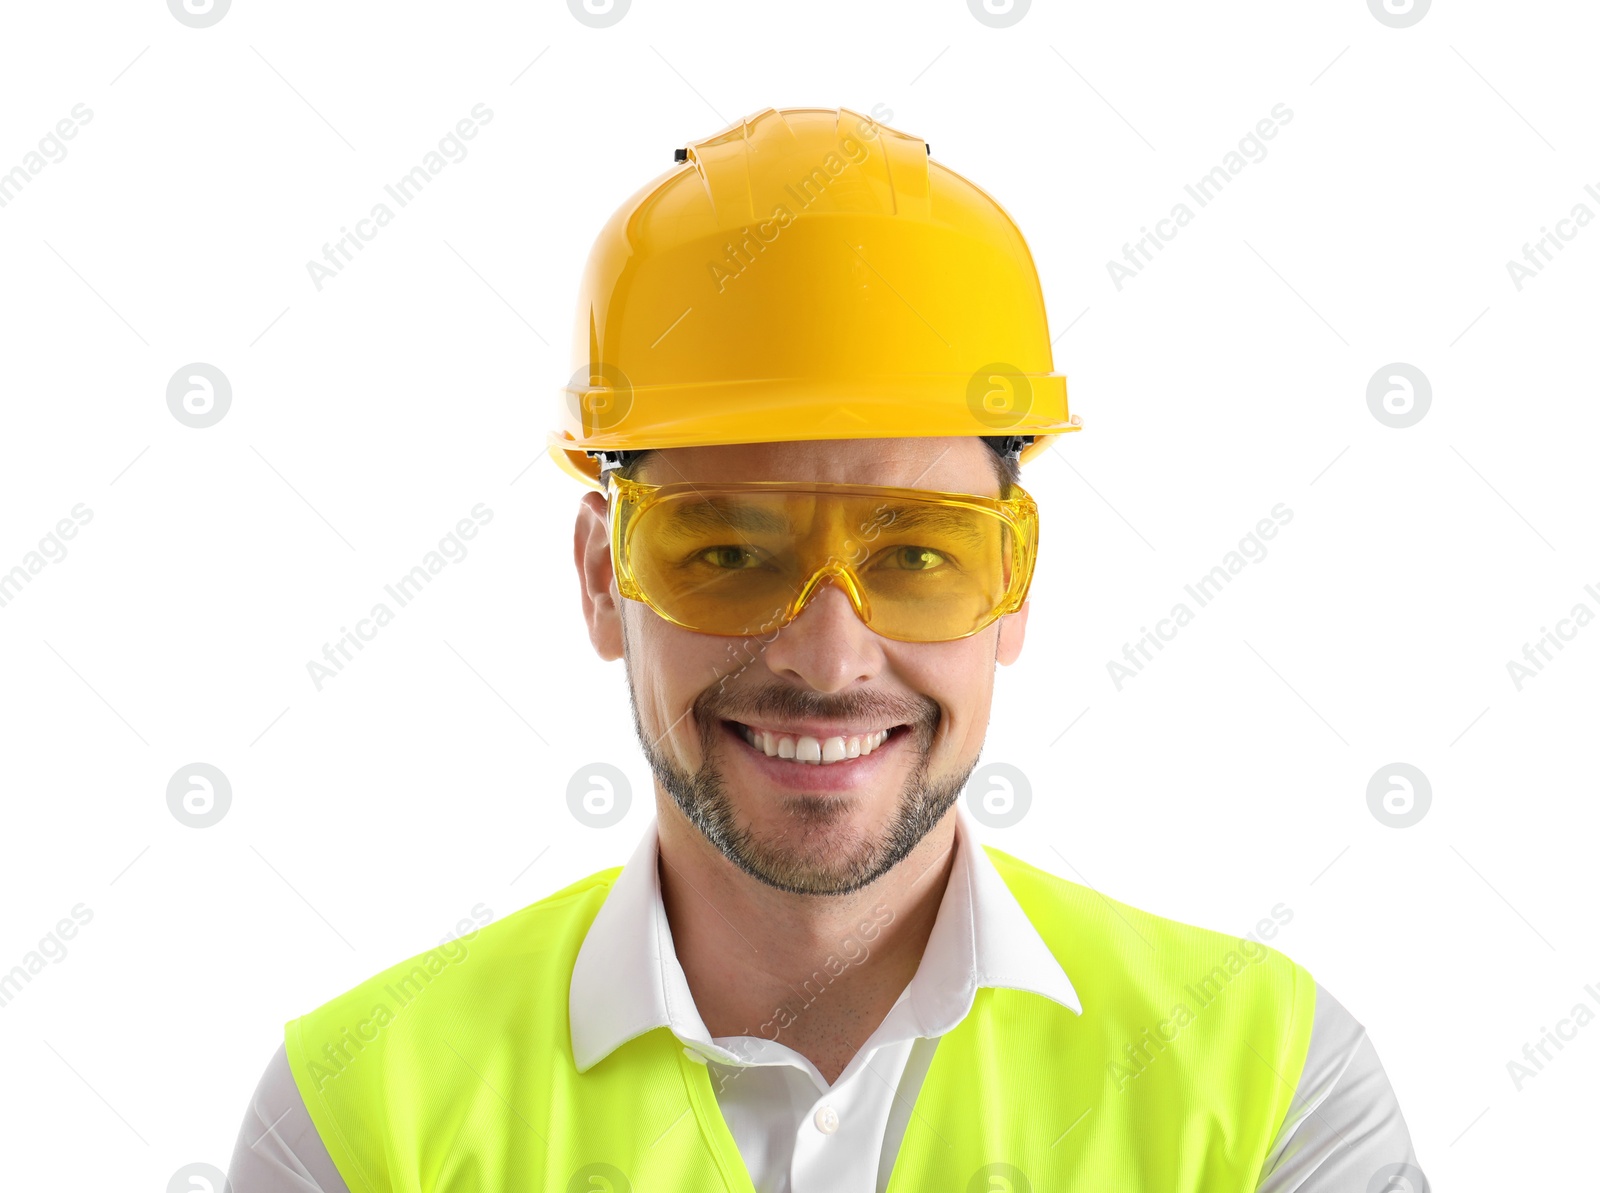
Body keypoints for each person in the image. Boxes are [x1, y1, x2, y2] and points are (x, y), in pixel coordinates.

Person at [227, 106, 1426, 1193]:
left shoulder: (1269, 1092)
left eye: (916, 555)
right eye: (727, 552)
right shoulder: (359, 1117)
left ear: (1014, 588)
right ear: (603, 577)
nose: (830, 654)